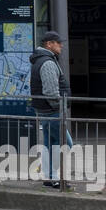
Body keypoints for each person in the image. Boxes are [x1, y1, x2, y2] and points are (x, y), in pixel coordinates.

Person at [30, 31, 72, 188]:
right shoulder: (47, 63)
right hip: (52, 112)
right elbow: (51, 92)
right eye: (58, 42)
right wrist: (59, 108)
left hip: (45, 111)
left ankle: (49, 177)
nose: (61, 45)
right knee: (66, 144)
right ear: (49, 44)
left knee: (50, 145)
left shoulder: (40, 60)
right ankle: (53, 177)